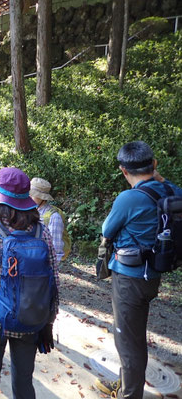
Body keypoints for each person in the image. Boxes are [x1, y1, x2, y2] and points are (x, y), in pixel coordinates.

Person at [96, 141, 182, 398]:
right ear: (154, 164)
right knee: (133, 334)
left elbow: (106, 230)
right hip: (152, 274)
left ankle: (129, 394)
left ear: (124, 170)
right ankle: (125, 385)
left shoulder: (129, 198)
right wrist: (158, 175)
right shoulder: (173, 191)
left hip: (129, 279)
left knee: (128, 341)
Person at [0, 167, 59, 398]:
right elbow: (53, 282)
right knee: (23, 381)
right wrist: (48, 322)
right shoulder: (41, 232)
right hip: (31, 320)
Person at [30, 177, 66, 264]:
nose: (29, 196)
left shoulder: (54, 217)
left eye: (32, 194)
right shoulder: (29, 211)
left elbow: (56, 249)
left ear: (42, 197)